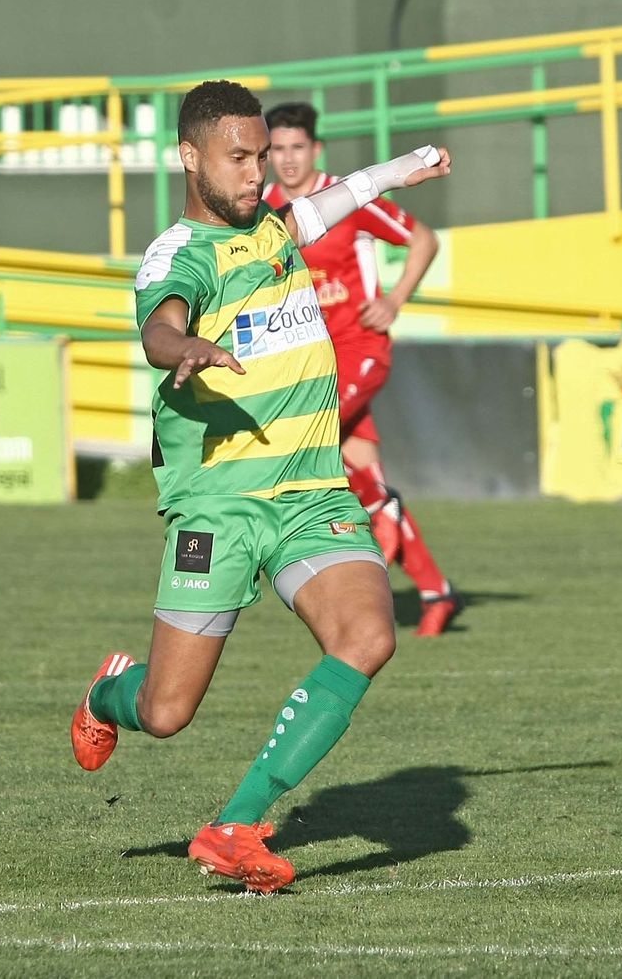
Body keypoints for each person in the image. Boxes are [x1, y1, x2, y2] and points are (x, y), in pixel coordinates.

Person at [69, 79, 450, 894]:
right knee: (167, 713)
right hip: (222, 503)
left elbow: (340, 199)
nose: (255, 173)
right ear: (189, 157)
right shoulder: (181, 253)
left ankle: (236, 826)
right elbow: (158, 324)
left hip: (311, 491)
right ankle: (107, 694)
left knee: (367, 637)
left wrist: (406, 167)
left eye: (264, 157)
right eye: (239, 158)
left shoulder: (275, 224)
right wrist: (184, 350)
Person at [261, 102, 463, 638]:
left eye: (296, 147)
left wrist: (395, 300)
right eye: (276, 149)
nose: (286, 159)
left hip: (359, 350)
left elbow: (424, 238)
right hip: (312, 363)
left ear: (315, 150)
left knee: (305, 441)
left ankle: (382, 520)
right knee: (366, 476)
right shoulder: (269, 212)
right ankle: (435, 591)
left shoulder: (343, 198)